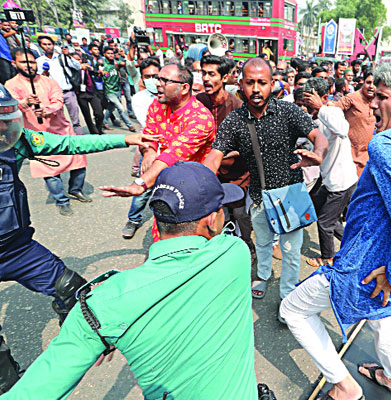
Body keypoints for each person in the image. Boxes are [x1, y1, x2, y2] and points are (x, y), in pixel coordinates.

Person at [1, 161, 259, 400]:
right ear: (212, 221)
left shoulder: (104, 305)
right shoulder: (234, 253)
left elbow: (37, 389)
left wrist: (104, 326)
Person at [280, 56, 391, 400]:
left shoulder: (386, 144)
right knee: (384, 313)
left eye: (382, 97)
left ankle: (344, 385)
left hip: (363, 266)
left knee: (293, 310)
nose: (373, 103)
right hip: (383, 264)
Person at [0, 83, 156, 393]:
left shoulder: (13, 143)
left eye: (7, 120)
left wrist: (123, 138)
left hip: (16, 249)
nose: (5, 127)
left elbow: (69, 144)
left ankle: (73, 351)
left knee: (75, 291)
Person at [203, 57, 328, 304]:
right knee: (262, 243)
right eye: (250, 83)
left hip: (291, 195)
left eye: (262, 82)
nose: (256, 89)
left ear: (273, 84)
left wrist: (318, 154)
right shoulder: (235, 121)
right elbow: (215, 155)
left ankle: (288, 295)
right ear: (240, 84)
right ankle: (262, 275)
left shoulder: (288, 111)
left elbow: (318, 136)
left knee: (292, 253)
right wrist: (200, 184)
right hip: (259, 196)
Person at [101, 63, 217, 243]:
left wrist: (140, 184)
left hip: (194, 191)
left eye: (164, 80)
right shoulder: (157, 105)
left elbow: (172, 155)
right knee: (163, 240)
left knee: (189, 246)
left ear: (184, 88)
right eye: (157, 79)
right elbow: (149, 135)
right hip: (167, 184)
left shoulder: (200, 118)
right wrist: (149, 152)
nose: (157, 84)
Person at [6, 48, 93, 216]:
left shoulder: (49, 82)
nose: (29, 66)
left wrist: (47, 110)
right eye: (24, 62)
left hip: (61, 129)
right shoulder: (11, 85)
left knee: (78, 161)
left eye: (32, 62)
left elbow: (58, 101)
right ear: (14, 64)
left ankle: (75, 189)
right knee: (49, 170)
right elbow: (11, 106)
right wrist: (25, 103)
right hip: (36, 134)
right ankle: (62, 200)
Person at [195, 55, 254, 255]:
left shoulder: (238, 108)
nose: (205, 79)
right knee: (213, 213)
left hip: (236, 174)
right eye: (203, 73)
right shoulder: (197, 103)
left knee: (239, 214)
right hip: (208, 173)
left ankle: (247, 245)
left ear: (225, 78)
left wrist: (222, 152)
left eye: (211, 74)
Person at [301, 78, 357, 269]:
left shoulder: (332, 112)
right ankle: (351, 243)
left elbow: (342, 130)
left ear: (323, 97)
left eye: (311, 103)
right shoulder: (316, 118)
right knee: (322, 212)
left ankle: (327, 258)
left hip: (340, 182)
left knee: (325, 222)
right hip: (328, 180)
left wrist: (322, 107)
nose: (309, 109)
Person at [121, 57, 161, 239]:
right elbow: (152, 126)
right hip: (150, 149)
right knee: (142, 188)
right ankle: (133, 219)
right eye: (148, 76)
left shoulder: (172, 93)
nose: (152, 79)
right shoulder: (139, 99)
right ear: (142, 79)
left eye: (156, 75)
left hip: (172, 152)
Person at [36, 36, 84, 135]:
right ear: (41, 46)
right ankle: (64, 140)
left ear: (53, 45)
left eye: (49, 44)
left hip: (68, 92)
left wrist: (68, 55)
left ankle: (79, 139)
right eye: (44, 44)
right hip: (54, 95)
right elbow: (38, 79)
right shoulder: (39, 61)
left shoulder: (62, 57)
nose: (48, 47)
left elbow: (78, 66)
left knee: (75, 121)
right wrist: (43, 76)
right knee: (57, 120)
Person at [333, 70, 376, 177]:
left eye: (375, 83)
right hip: (349, 156)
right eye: (368, 82)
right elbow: (332, 112)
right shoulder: (351, 98)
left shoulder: (378, 101)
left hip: (367, 157)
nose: (371, 86)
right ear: (363, 83)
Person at [101, 47, 137, 132]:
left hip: (117, 90)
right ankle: (130, 125)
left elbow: (126, 63)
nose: (110, 55)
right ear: (104, 54)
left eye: (112, 53)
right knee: (120, 108)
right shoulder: (102, 64)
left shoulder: (116, 63)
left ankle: (104, 121)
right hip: (109, 92)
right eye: (108, 53)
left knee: (111, 107)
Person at [70, 51, 104, 135]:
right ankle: (94, 133)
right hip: (80, 94)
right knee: (87, 115)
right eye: (75, 60)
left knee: (99, 113)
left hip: (91, 91)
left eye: (79, 59)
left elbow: (95, 72)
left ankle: (99, 128)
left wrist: (91, 69)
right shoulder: (71, 70)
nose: (79, 62)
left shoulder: (86, 67)